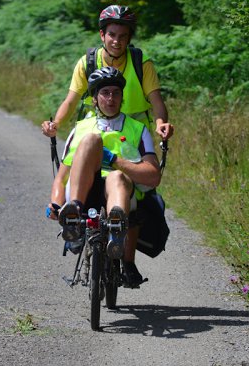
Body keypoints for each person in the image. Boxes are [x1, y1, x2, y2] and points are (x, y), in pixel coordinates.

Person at [46, 66, 162, 287]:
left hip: (119, 191)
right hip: (85, 189)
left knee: (117, 176)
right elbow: (61, 177)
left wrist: (116, 161)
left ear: (122, 96)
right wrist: (55, 203)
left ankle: (117, 230)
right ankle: (74, 215)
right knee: (91, 140)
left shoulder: (137, 129)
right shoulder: (81, 128)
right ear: (95, 98)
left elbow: (153, 177)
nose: (111, 98)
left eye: (116, 93)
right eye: (105, 93)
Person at [41, 5, 174, 140]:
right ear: (102, 35)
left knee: (149, 162)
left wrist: (161, 123)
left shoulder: (141, 63)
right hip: (95, 133)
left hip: (135, 134)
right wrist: (56, 123)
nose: (117, 41)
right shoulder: (87, 63)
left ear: (129, 39)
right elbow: (70, 101)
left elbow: (157, 102)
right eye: (112, 34)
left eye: (123, 36)